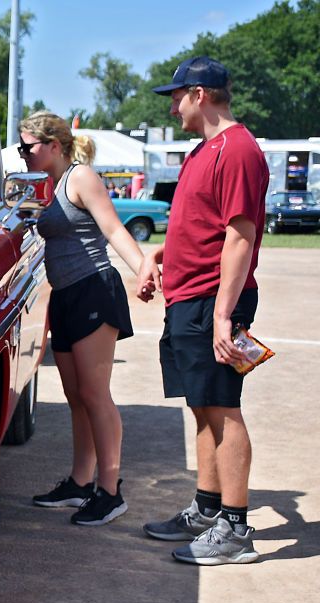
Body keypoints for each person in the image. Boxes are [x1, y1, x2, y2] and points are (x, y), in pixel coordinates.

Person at [137, 56, 268, 564]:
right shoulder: (201, 152)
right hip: (188, 298)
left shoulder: (237, 150)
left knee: (223, 408)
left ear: (200, 94)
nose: (172, 106)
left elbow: (239, 237)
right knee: (201, 406)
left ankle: (235, 529)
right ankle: (208, 509)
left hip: (214, 301)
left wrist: (222, 314)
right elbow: (200, 227)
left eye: (175, 96)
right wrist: (156, 256)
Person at [19, 111, 158, 525]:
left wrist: (143, 269)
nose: (23, 153)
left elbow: (113, 229)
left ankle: (110, 491)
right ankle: (81, 483)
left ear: (54, 146)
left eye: (28, 146)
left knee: (96, 396)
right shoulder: (52, 184)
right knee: (76, 396)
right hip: (65, 297)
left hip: (94, 289)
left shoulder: (81, 178)